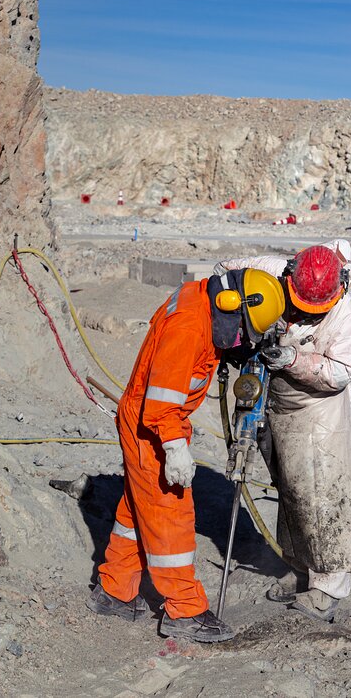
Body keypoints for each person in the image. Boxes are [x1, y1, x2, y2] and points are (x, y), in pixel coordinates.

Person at [87, 267, 286, 643]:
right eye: (242, 330)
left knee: (137, 509)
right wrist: (175, 448)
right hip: (154, 427)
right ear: (230, 306)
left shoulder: (203, 298)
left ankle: (114, 590)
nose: (241, 339)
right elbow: (160, 404)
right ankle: (185, 611)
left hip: (150, 419)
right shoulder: (187, 329)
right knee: (169, 513)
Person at [215, 239, 351, 624]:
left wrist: (295, 358)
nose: (301, 313)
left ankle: (328, 587)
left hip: (318, 410)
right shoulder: (270, 269)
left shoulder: (346, 313)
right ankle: (301, 570)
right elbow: (223, 273)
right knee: (291, 487)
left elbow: (340, 373)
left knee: (321, 491)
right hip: (274, 398)